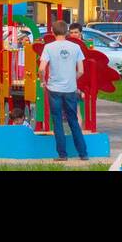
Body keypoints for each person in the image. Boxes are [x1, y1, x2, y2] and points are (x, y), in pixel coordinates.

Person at [40, 21, 88, 163]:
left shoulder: (48, 47)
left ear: (52, 32)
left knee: (57, 121)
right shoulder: (76, 47)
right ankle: (83, 153)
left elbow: (42, 68)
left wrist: (43, 81)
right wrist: (71, 79)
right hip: (70, 89)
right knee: (73, 120)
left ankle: (62, 155)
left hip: (54, 89)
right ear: (67, 32)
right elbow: (81, 70)